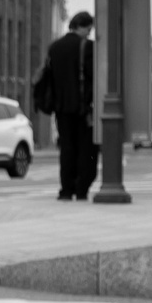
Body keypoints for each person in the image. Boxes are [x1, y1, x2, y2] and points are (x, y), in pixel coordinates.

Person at [34, 11, 97, 199]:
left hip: (60, 107)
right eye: (89, 29)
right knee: (86, 149)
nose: (89, 33)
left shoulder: (55, 47)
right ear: (84, 27)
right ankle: (81, 188)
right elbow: (94, 77)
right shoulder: (88, 47)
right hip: (83, 108)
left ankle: (66, 189)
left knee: (67, 148)